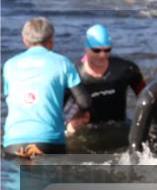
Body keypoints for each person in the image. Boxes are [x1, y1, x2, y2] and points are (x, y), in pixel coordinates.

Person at [2, 18, 92, 158]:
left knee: (18, 172)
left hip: (13, 141)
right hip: (50, 141)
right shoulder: (63, 63)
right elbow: (85, 102)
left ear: (25, 40)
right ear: (51, 40)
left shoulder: (9, 65)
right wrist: (76, 117)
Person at [66, 24, 145, 129]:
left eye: (107, 50)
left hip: (119, 127)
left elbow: (146, 96)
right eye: (96, 50)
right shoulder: (74, 75)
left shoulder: (126, 70)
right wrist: (70, 126)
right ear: (86, 49)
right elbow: (58, 110)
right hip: (89, 131)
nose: (102, 55)